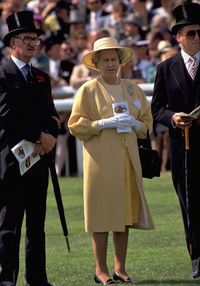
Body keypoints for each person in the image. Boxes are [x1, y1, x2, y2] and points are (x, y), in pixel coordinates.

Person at [68, 37, 155, 285]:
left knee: (124, 214)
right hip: (100, 160)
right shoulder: (87, 89)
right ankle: (100, 269)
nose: (110, 63)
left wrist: (137, 124)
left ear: (120, 61)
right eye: (105, 59)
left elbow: (147, 122)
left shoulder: (132, 88)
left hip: (128, 158)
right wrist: (101, 124)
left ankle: (120, 267)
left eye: (113, 59)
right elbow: (75, 125)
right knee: (101, 214)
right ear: (96, 63)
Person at [0, 10, 60, 286]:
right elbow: (6, 116)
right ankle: (7, 279)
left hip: (38, 158)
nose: (33, 44)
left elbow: (52, 114)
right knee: (9, 223)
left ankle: (37, 279)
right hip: (11, 159)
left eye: (36, 39)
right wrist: (40, 134)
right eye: (27, 39)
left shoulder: (41, 77)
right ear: (13, 43)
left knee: (37, 224)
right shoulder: (2, 73)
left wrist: (49, 133)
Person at [151, 2, 200, 279]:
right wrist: (174, 117)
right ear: (179, 36)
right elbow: (156, 107)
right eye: (191, 33)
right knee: (189, 202)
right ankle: (196, 255)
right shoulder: (166, 68)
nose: (197, 38)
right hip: (183, 145)